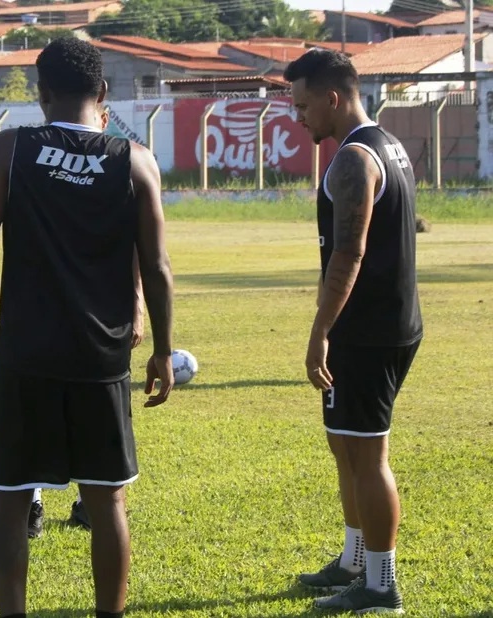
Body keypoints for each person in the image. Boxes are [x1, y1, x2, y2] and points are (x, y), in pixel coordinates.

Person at [0, 38, 175, 618]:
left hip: (24, 354)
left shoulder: (11, 150)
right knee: (107, 504)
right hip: (99, 357)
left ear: (42, 94)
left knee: (9, 503)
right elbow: (155, 266)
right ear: (102, 93)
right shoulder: (135, 161)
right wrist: (162, 347)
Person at [284, 49, 422, 614]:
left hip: (367, 332)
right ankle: (353, 560)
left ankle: (380, 583)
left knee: (368, 457)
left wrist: (320, 331)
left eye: (303, 104)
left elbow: (349, 254)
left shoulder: (352, 160)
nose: (299, 117)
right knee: (345, 447)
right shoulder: (387, 145)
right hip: (381, 323)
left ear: (333, 97)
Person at [27, 106, 145, 540]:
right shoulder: (26, 154)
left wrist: (137, 302)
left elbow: (138, 243)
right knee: (35, 416)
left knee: (89, 419)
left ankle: (85, 502)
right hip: (41, 320)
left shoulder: (125, 160)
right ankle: (32, 504)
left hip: (97, 326)